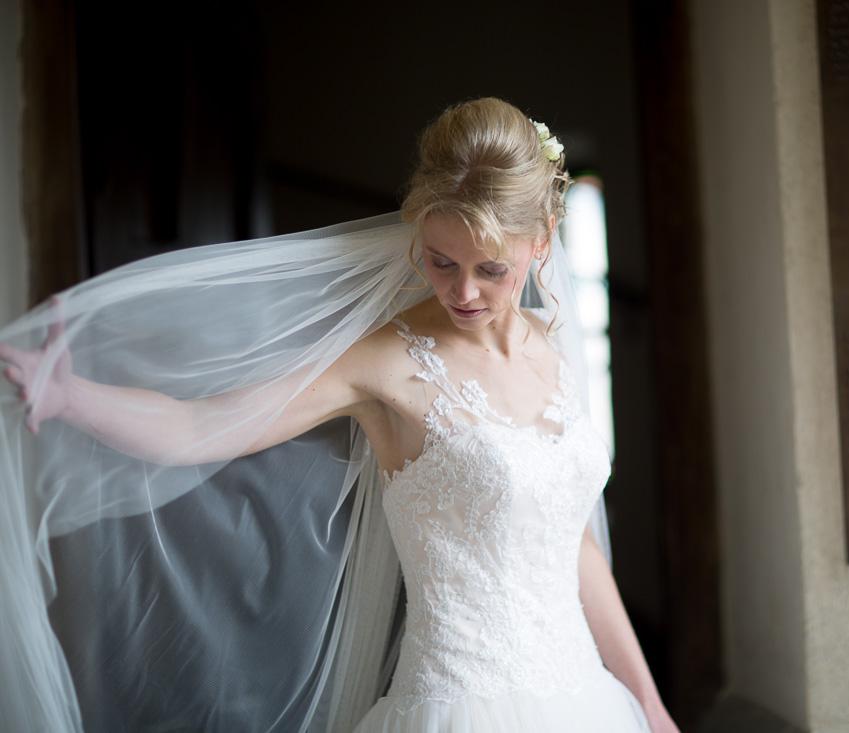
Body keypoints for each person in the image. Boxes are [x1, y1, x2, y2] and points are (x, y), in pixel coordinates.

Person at [0, 97, 678, 732]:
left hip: (588, 704)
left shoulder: (555, 343)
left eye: (490, 269)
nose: (463, 291)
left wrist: (647, 703)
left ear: (542, 240)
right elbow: (199, 425)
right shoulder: (388, 362)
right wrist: (70, 396)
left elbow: (574, 545)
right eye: (441, 261)